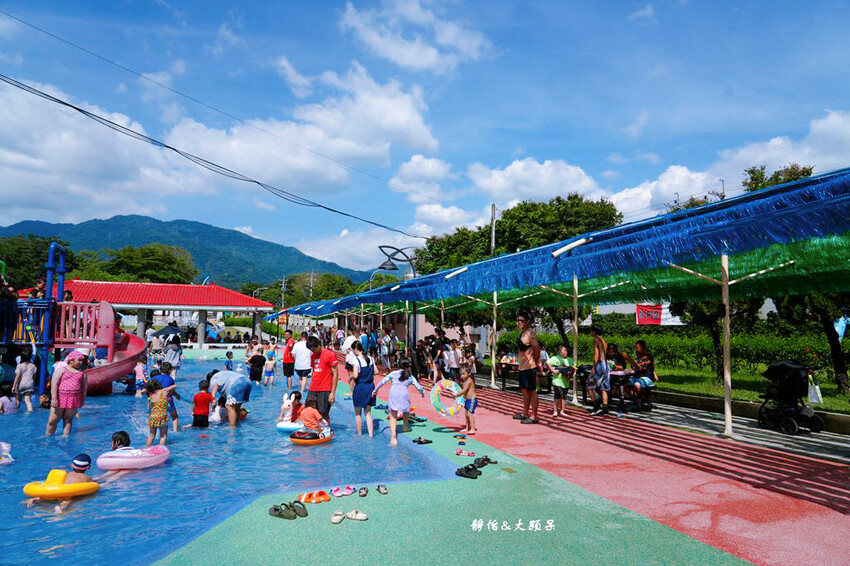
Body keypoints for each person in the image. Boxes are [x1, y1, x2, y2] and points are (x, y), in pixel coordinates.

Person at [372, 360, 424, 447]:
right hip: (404, 394)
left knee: (393, 415)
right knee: (406, 410)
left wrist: (375, 390)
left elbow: (382, 381)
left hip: (394, 393)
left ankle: (393, 437)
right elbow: (419, 387)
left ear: (398, 365)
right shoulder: (410, 376)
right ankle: (405, 426)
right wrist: (422, 393)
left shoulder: (394, 373)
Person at [25, 454, 96, 514]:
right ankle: (60, 508)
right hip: (67, 494)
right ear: (88, 467)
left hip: (54, 491)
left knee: (49, 498)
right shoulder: (88, 478)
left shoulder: (67, 474)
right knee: (68, 500)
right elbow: (93, 486)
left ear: (72, 465)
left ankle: (38, 499)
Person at [46, 350, 87, 436]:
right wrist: (54, 398)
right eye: (79, 360)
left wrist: (82, 399)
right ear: (71, 361)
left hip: (73, 399)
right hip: (60, 398)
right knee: (53, 420)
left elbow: (84, 387)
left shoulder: (82, 373)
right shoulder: (62, 370)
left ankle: (66, 437)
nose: (81, 362)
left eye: (81, 360)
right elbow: (54, 384)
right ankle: (48, 436)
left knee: (68, 420)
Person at [513, 311, 541, 424]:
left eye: (521, 320)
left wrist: (534, 361)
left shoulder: (531, 334)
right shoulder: (522, 334)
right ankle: (525, 413)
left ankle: (534, 416)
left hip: (530, 367)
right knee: (524, 391)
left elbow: (537, 349)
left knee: (532, 391)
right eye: (518, 320)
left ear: (527, 321)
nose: (519, 322)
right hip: (522, 367)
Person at [306, 336, 338, 424]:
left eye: (314, 349)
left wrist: (332, 392)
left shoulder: (330, 355)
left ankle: (326, 429)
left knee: (323, 413)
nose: (313, 352)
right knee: (309, 411)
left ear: (319, 345)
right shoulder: (313, 356)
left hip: (325, 389)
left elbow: (335, 374)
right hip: (313, 388)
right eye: (311, 350)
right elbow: (314, 371)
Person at [348, 341, 375, 437]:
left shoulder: (356, 360)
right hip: (370, 387)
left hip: (360, 387)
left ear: (355, 350)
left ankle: (359, 435)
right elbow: (376, 371)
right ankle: (371, 435)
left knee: (358, 413)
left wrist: (350, 377)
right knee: (368, 413)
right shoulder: (371, 358)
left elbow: (355, 375)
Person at [622, 340, 657, 409]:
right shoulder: (638, 356)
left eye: (637, 348)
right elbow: (634, 367)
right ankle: (638, 399)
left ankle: (641, 400)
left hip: (646, 378)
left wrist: (628, 359)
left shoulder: (648, 357)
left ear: (642, 347)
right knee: (623, 384)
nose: (636, 349)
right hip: (637, 377)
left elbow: (640, 367)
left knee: (637, 385)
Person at [146, 380, 178, 445]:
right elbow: (175, 386)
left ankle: (147, 449)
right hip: (162, 417)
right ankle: (161, 450)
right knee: (163, 436)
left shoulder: (150, 396)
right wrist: (166, 389)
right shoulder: (163, 392)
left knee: (151, 435)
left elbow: (149, 409)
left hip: (152, 417)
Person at [152, 362, 182, 432]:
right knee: (174, 417)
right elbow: (172, 391)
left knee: (155, 416)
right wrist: (177, 396)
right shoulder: (170, 379)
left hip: (156, 401)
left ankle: (153, 430)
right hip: (167, 401)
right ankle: (175, 431)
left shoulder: (154, 378)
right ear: (169, 371)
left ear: (160, 370)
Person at [546, 343, 573, 418]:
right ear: (559, 351)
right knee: (557, 396)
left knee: (564, 396)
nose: (566, 352)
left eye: (566, 351)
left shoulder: (570, 360)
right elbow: (547, 364)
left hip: (566, 381)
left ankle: (562, 411)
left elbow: (572, 369)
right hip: (557, 381)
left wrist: (569, 375)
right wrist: (553, 371)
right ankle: (555, 411)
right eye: (564, 350)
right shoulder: (555, 358)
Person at [589, 325, 611, 416]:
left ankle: (596, 405)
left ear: (594, 331)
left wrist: (593, 367)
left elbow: (596, 356)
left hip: (600, 365)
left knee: (589, 385)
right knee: (604, 387)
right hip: (606, 365)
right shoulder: (604, 341)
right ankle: (605, 408)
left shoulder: (596, 340)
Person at [449, 368, 477, 435]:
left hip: (472, 400)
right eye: (461, 374)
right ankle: (467, 427)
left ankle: (473, 429)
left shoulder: (469, 381)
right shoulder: (464, 382)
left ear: (469, 374)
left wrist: (455, 395)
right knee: (466, 414)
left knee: (470, 414)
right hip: (467, 400)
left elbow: (463, 391)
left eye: (464, 374)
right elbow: (464, 392)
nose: (462, 376)